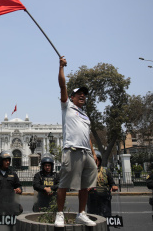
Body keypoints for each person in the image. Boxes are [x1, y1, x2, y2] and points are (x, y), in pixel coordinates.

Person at [55, 56, 98, 227]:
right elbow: (62, 85)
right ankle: (59, 214)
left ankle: (81, 213)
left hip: (86, 152)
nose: (82, 95)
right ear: (71, 96)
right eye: (79, 93)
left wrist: (93, 153)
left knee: (85, 186)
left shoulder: (85, 115)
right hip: (72, 150)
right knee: (64, 183)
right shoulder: (67, 107)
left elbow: (87, 136)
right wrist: (61, 67)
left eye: (84, 94)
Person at [0, 150, 23, 219]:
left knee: (10, 227)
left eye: (8, 160)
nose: (8, 162)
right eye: (5, 161)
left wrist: (19, 190)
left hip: (10, 204)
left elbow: (18, 185)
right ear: (0, 161)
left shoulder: (13, 174)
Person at [87, 150, 118, 225]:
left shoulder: (106, 172)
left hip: (104, 200)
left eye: (97, 160)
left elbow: (112, 183)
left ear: (100, 161)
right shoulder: (87, 173)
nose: (96, 162)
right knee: (92, 219)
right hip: (92, 200)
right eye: (94, 160)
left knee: (105, 219)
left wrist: (114, 186)